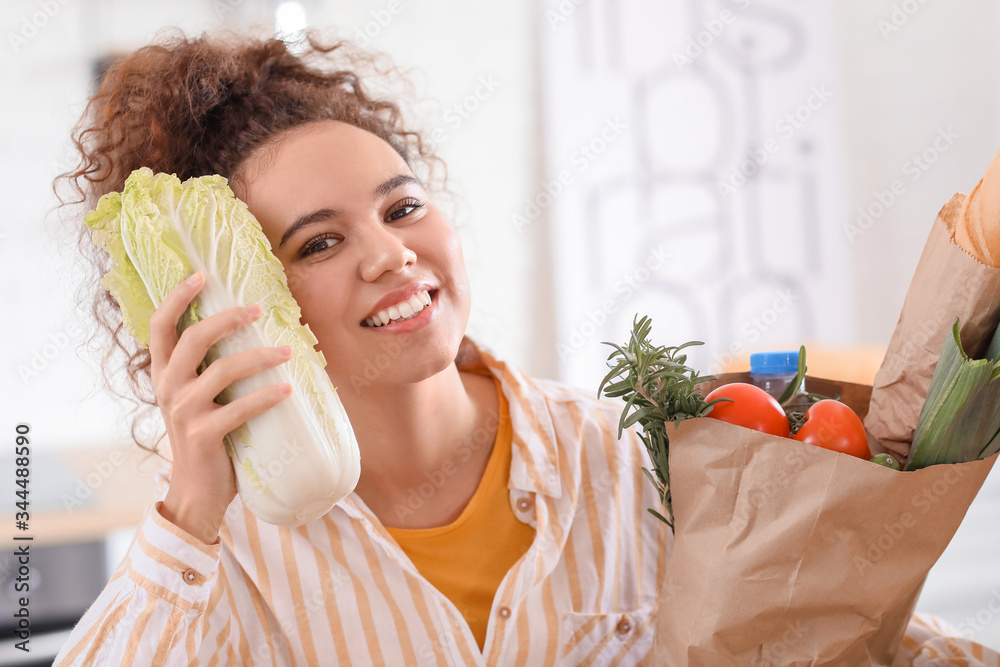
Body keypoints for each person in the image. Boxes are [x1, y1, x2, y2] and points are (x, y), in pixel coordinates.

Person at [52, 32, 1000, 666]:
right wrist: (188, 515)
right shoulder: (225, 565)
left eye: (403, 206)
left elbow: (842, 628)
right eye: (321, 242)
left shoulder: (624, 457)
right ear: (246, 304)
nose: (392, 254)